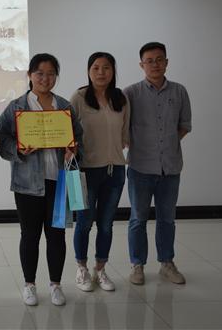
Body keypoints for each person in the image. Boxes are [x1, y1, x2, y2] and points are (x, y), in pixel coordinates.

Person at [0, 53, 83, 307]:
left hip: (59, 181)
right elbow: (0, 138)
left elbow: (78, 137)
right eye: (40, 73)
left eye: (51, 73)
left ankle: (55, 285)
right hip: (27, 184)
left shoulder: (64, 106)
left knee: (56, 235)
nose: (45, 78)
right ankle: (29, 284)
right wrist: (18, 149)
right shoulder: (16, 107)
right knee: (30, 235)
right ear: (30, 75)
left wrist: (74, 149)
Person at [124, 42, 191, 285]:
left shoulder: (179, 91)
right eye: (149, 61)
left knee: (167, 219)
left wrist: (165, 145)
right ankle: (137, 265)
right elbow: (123, 128)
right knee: (137, 219)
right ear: (141, 65)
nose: (155, 64)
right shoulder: (130, 93)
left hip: (170, 168)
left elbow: (184, 126)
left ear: (167, 62)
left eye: (159, 59)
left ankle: (166, 263)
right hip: (140, 168)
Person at [70, 52, 130, 292]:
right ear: (88, 71)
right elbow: (69, 132)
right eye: (96, 68)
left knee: (106, 225)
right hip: (84, 171)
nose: (101, 72)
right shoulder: (79, 97)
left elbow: (125, 133)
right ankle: (82, 268)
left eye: (106, 68)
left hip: (115, 171)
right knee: (84, 223)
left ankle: (100, 269)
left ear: (113, 71)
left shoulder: (121, 98)